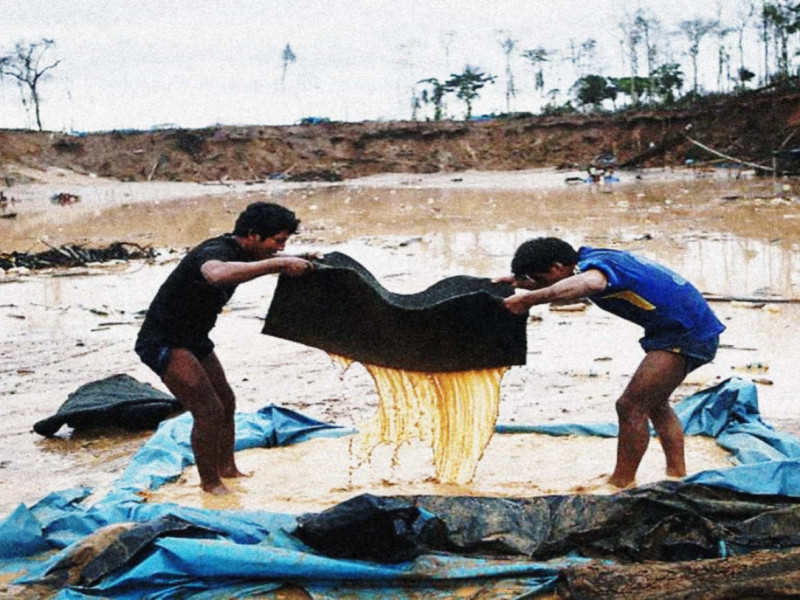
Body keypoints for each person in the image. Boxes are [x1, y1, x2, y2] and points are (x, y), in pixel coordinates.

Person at [497, 237, 725, 489]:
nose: (537, 286)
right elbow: (572, 281)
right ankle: (677, 475)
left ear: (557, 267)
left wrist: (530, 299)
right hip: (682, 330)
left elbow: (591, 283)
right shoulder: (592, 257)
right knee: (655, 403)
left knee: (630, 406)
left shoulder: (593, 271)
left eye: (540, 279)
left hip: (687, 334)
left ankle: (621, 483)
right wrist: (519, 282)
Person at [135, 201, 316, 495]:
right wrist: (278, 265)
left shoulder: (241, 253)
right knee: (207, 410)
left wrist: (294, 260)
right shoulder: (216, 252)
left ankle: (227, 469)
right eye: (277, 242)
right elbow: (216, 274)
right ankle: (211, 486)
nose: (279, 249)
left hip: (194, 338)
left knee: (226, 402)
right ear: (254, 235)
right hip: (164, 340)